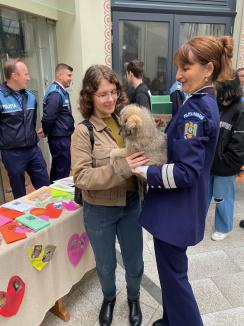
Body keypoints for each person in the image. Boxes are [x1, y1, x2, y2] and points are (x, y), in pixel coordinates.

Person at [126, 35, 234, 326]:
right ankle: (172, 319)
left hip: (176, 212)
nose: (178, 74)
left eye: (186, 67)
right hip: (179, 210)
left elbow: (186, 171)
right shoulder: (200, 102)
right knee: (171, 272)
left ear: (208, 69)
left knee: (174, 278)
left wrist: (144, 171)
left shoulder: (196, 109)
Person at [71, 65, 147, 326]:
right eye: (102, 94)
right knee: (105, 264)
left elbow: (140, 155)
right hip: (99, 210)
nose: (110, 99)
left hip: (131, 205)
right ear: (89, 96)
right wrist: (122, 167)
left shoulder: (124, 121)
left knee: (135, 260)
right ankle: (109, 297)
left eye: (113, 92)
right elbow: (81, 177)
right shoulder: (84, 132)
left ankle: (134, 298)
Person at [0, 58, 50, 199]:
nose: (29, 78)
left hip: (33, 150)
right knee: (20, 195)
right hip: (12, 154)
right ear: (14, 76)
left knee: (45, 187)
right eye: (26, 74)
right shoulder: (0, 97)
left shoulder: (31, 97)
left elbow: (31, 122)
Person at [209, 78, 244, 241]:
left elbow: (239, 145)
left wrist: (227, 163)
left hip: (225, 165)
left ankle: (224, 227)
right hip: (211, 162)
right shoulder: (219, 105)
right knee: (206, 194)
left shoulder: (240, 110)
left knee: (223, 197)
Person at [41, 63, 74, 182]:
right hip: (59, 138)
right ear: (60, 75)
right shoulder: (55, 93)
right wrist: (46, 130)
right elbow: (49, 117)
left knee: (58, 167)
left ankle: (53, 192)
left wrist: (46, 130)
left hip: (62, 136)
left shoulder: (61, 91)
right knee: (62, 170)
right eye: (69, 75)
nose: (71, 78)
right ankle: (61, 197)